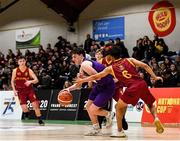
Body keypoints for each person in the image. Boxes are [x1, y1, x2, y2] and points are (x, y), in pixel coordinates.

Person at [75, 45, 164, 137]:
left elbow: (96, 76)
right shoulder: (130, 60)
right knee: (150, 104)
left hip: (132, 87)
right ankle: (156, 118)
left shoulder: (111, 68)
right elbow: (145, 65)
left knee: (118, 107)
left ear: (111, 56)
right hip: (142, 84)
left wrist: (82, 80)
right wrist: (154, 77)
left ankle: (120, 131)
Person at [61, 47, 115, 136]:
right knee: (88, 106)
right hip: (99, 85)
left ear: (81, 55)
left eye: (75, 57)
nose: (73, 59)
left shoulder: (85, 64)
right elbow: (79, 85)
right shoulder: (82, 66)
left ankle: (109, 114)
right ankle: (96, 128)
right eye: (72, 57)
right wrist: (68, 89)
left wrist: (84, 79)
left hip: (107, 85)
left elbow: (98, 77)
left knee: (93, 109)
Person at [95, 48, 128, 130]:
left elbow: (124, 72)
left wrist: (118, 79)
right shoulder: (100, 62)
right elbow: (95, 75)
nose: (99, 55)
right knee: (100, 105)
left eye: (100, 54)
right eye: (97, 54)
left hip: (117, 87)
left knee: (124, 103)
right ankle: (99, 123)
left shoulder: (117, 61)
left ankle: (123, 117)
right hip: (106, 87)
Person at [11, 56, 44, 126]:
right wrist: (14, 90)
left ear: (25, 61)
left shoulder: (29, 70)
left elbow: (36, 80)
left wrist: (30, 81)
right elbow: (12, 81)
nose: (22, 62)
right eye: (20, 61)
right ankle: (27, 112)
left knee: (35, 105)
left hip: (29, 90)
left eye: (23, 61)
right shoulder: (15, 70)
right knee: (24, 108)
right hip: (20, 91)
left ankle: (40, 120)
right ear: (18, 62)